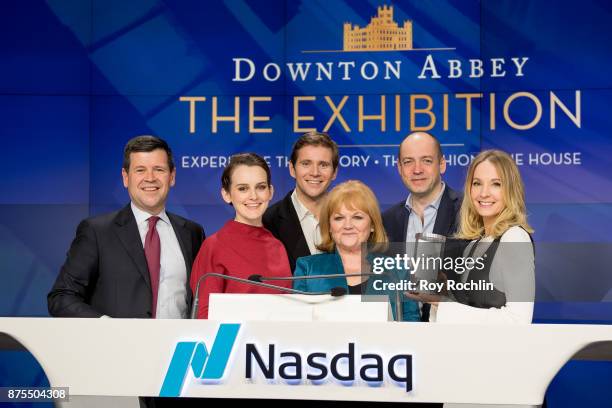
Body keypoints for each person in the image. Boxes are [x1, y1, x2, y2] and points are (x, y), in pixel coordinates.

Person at [48, 135, 205, 319]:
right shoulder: (97, 231)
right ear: (125, 177)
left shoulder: (192, 233)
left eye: (159, 169)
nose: (150, 178)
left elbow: (200, 301)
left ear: (172, 176)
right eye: (140, 170)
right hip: (115, 345)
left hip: (177, 347)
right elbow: (61, 297)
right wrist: (105, 326)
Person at [429, 149, 535, 324]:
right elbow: (471, 309)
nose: (484, 193)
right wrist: (442, 296)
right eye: (477, 183)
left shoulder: (514, 238)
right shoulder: (474, 245)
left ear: (510, 190)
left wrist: (445, 307)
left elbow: (518, 320)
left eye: (496, 184)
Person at [293, 180, 420, 322]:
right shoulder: (308, 269)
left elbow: (412, 328)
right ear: (329, 226)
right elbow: (296, 327)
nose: (348, 225)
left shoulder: (398, 271)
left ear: (372, 224)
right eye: (339, 218)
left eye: (357, 217)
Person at [190, 153, 292, 319]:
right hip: (232, 341)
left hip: (275, 343)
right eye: (243, 188)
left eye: (260, 187)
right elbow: (204, 314)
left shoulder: (278, 247)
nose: (253, 196)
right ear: (226, 194)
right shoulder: (214, 246)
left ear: (270, 191)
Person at [382, 131, 462, 321]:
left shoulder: (468, 212)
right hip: (399, 335)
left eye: (426, 160)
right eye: (408, 162)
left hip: (453, 334)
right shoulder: (387, 221)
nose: (417, 170)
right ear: (399, 168)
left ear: (442, 164)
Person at [264, 131, 339, 272]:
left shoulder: (353, 219)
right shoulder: (268, 222)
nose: (315, 172)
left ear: (334, 172)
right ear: (292, 169)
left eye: (323, 165)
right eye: (306, 164)